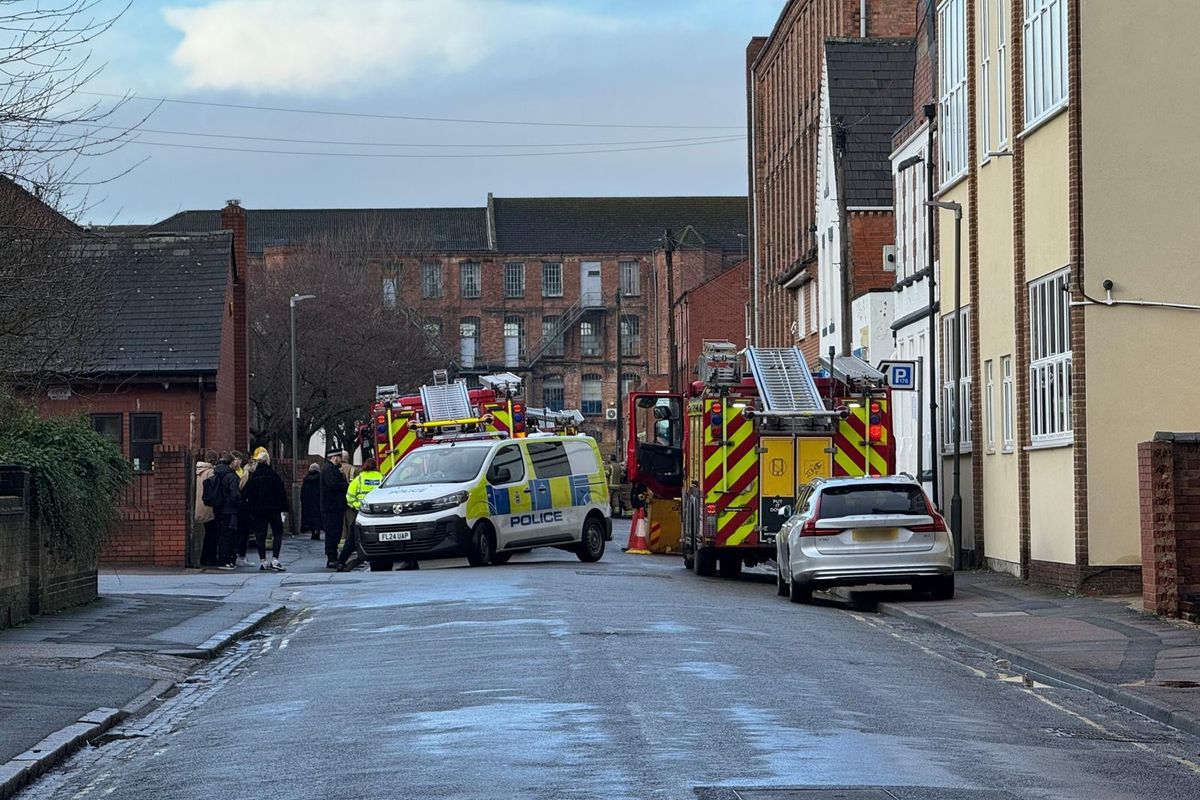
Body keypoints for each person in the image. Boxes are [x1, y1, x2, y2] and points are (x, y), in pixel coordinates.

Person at [243, 450, 289, 571]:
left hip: (259, 511)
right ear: (268, 461)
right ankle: (275, 559)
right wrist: (284, 509)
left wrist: (251, 509)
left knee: (260, 535)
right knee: (277, 533)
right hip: (274, 509)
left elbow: (248, 494)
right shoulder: (274, 475)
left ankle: (263, 560)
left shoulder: (254, 477)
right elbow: (282, 493)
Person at [338, 457, 383, 571]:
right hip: (379, 513)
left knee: (352, 539)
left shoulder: (360, 479)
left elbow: (349, 496)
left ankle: (341, 561)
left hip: (362, 513)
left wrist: (356, 505)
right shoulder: (382, 478)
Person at [213, 453, 243, 570]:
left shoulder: (217, 473)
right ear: (231, 463)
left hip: (218, 508)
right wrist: (240, 503)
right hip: (230, 510)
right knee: (229, 535)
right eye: (235, 461)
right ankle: (226, 560)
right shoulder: (231, 476)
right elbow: (235, 494)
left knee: (221, 535)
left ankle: (221, 559)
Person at [320, 449, 349, 569]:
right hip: (331, 507)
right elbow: (333, 485)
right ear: (334, 457)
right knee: (332, 533)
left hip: (335, 506)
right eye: (339, 457)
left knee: (336, 533)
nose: (341, 459)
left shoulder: (332, 469)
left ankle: (333, 557)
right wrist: (346, 485)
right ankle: (331, 558)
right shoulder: (328, 470)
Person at [194, 450, 219, 566]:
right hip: (208, 505)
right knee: (212, 534)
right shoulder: (211, 473)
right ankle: (209, 558)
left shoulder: (197, 471)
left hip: (199, 504)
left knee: (208, 533)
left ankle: (205, 558)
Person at [300, 462, 323, 539]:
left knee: (310, 517)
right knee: (318, 517)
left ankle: (312, 532)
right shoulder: (320, 478)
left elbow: (302, 491)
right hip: (318, 501)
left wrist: (302, 499)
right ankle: (318, 532)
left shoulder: (306, 479)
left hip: (308, 502)